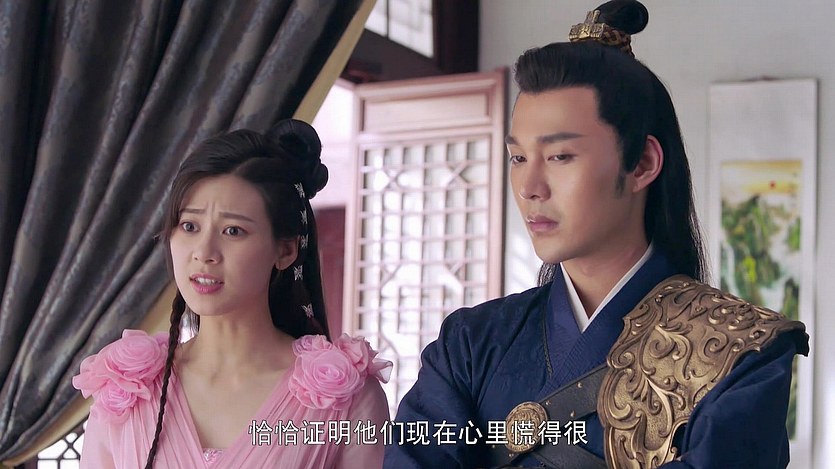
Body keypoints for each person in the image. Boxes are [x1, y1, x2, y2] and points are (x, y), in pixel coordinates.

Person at [384, 1, 808, 468]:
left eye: (560, 156)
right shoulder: (469, 344)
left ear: (642, 163)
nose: (529, 187)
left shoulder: (741, 352)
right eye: (518, 158)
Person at [73, 119, 392, 468]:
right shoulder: (126, 391)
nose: (204, 252)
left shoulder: (347, 399)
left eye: (233, 231)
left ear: (286, 250)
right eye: (189, 226)